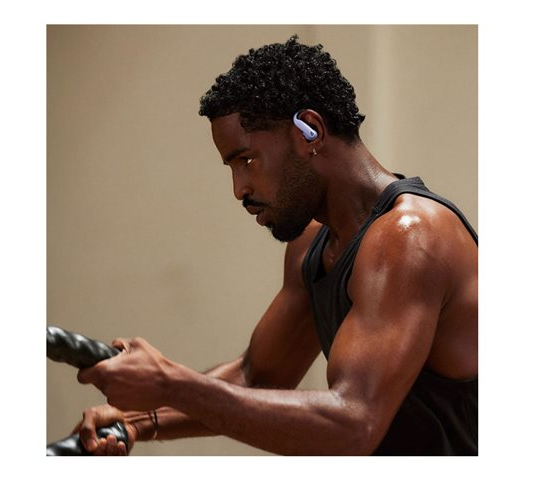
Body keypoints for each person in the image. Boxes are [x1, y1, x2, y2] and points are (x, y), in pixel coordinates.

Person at [75, 35, 478, 456]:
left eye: (246, 160)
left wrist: (170, 384)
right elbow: (258, 377)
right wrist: (138, 420)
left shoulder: (410, 237)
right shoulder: (313, 242)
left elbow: (354, 424)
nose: (239, 189)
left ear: (310, 131)